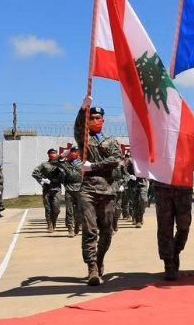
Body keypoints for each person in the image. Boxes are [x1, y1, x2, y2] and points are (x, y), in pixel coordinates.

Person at [75, 97, 123, 286]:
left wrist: (93, 166)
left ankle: (100, 258)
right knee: (90, 230)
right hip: (88, 189)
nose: (95, 121)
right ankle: (92, 267)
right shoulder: (84, 138)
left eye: (98, 118)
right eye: (91, 118)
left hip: (108, 189)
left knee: (107, 231)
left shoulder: (111, 141)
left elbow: (115, 159)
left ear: (103, 120)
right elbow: (78, 126)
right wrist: (82, 109)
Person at [153, 179, 193, 281]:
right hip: (162, 187)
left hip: (184, 187)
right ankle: (168, 263)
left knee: (184, 227)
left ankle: (175, 251)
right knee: (164, 227)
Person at [32, 148, 65, 233]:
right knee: (48, 208)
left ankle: (54, 222)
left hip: (57, 189)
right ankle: (50, 224)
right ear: (48, 154)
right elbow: (35, 173)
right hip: (47, 189)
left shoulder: (60, 164)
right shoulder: (44, 164)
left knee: (56, 209)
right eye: (51, 153)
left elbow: (66, 174)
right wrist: (42, 180)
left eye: (55, 153)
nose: (53, 154)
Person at [62, 146, 83, 237]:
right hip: (69, 189)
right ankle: (70, 229)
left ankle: (78, 224)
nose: (75, 153)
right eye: (73, 151)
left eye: (76, 151)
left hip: (79, 189)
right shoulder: (65, 164)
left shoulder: (82, 163)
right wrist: (63, 155)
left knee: (79, 210)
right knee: (69, 210)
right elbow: (55, 163)